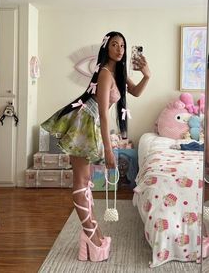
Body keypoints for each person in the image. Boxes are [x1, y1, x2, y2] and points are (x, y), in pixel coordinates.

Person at [41, 31, 150, 262]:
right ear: (106, 47)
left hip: (91, 124)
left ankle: (92, 232)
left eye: (122, 45)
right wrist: (109, 148)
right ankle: (92, 236)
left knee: (85, 183)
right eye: (114, 44)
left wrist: (147, 75)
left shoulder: (116, 73)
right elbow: (102, 113)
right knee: (80, 183)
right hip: (85, 124)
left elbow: (137, 92)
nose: (119, 49)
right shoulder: (104, 73)